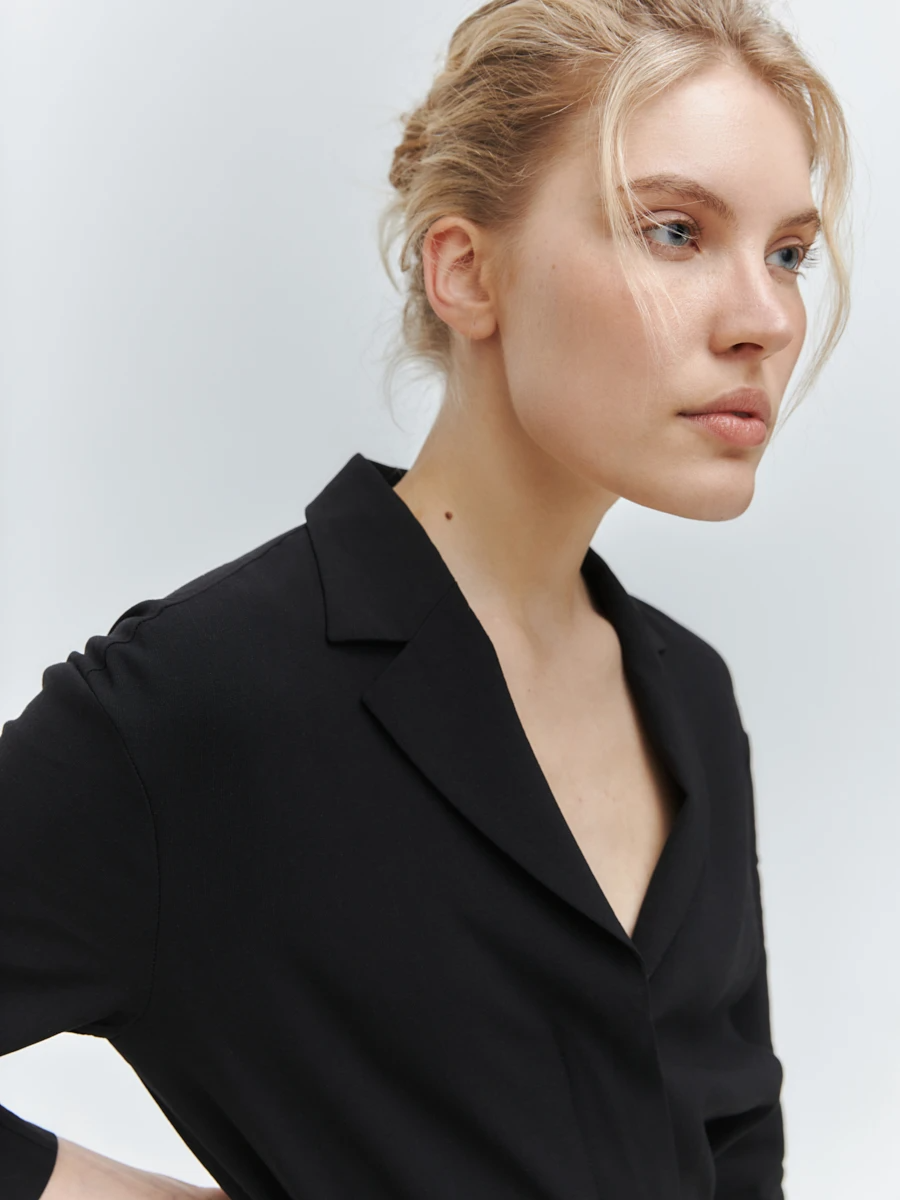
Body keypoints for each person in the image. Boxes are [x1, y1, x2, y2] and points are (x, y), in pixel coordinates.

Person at [0, 1, 853, 1198]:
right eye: (675, 230)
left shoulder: (691, 699)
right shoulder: (208, 700)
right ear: (465, 271)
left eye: (789, 254)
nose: (767, 319)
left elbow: (735, 1158)